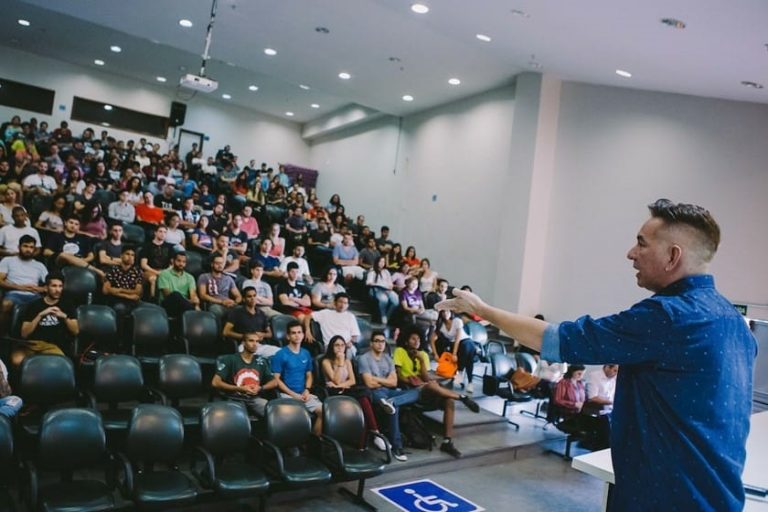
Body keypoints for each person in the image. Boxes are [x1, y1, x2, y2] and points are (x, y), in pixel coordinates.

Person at [436, 199, 756, 510]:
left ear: (673, 256)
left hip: (664, 497)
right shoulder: (736, 323)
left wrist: (482, 310)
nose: (631, 253)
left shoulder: (667, 316)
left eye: (641, 244)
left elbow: (559, 340)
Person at [393, 328, 480, 458]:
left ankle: (447, 442)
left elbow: (426, 378)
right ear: (406, 341)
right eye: (413, 339)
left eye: (418, 339)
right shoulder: (399, 351)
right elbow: (399, 376)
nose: (416, 341)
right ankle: (462, 397)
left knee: (448, 400)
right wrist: (412, 381)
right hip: (409, 390)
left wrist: (421, 361)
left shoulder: (423, 355)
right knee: (431, 385)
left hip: (426, 389)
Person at [358, 331, 418, 461]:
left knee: (416, 392)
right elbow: (369, 383)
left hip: (390, 393)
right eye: (377, 341)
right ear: (371, 343)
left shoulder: (388, 359)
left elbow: (394, 382)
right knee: (393, 409)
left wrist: (376, 378)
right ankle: (397, 447)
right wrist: (385, 381)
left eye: (383, 341)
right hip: (375, 392)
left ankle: (393, 402)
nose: (380, 344)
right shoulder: (364, 358)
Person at [321, 335, 387, 451]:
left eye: (342, 345)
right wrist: (340, 363)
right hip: (333, 394)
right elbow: (336, 379)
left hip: (345, 390)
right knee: (363, 396)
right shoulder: (326, 361)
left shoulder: (347, 361)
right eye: (337, 345)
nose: (340, 348)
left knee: (363, 399)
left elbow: (352, 381)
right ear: (331, 347)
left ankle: (368, 439)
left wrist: (339, 385)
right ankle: (373, 435)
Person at [13, 274, 78, 366]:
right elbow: (24, 334)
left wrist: (64, 317)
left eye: (60, 286)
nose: (58, 290)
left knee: (58, 363)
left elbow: (75, 331)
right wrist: (40, 315)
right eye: (54, 286)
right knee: (17, 360)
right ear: (46, 288)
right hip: (32, 344)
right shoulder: (34, 305)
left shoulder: (67, 305)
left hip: (53, 345)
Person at [270, 321, 323, 434]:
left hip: (304, 394)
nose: (297, 335)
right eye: (293, 333)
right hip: (286, 395)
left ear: (303, 335)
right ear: (288, 336)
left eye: (299, 332)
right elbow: (276, 379)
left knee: (324, 412)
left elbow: (309, 375)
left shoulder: (306, 353)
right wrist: (293, 395)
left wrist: (307, 390)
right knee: (298, 417)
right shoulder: (280, 354)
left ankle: (314, 440)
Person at [212, 332, 278, 418]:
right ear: (243, 343)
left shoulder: (261, 361)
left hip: (254, 399)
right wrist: (239, 388)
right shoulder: (230, 359)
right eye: (251, 341)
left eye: (257, 341)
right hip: (233, 398)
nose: (255, 344)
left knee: (274, 414)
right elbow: (215, 382)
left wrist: (260, 388)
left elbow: (274, 382)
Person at [0, 235, 47, 333]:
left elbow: (50, 285)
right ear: (19, 247)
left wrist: (38, 289)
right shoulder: (8, 260)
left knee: (46, 306)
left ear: (34, 250)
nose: (28, 250)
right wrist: (20, 287)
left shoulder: (39, 265)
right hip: (14, 294)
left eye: (31, 247)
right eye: (25, 246)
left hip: (34, 296)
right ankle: (3, 336)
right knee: (6, 304)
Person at [429, 309, 477, 393]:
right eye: (443, 312)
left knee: (467, 349)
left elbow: (458, 339)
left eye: (447, 311)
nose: (445, 313)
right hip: (453, 344)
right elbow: (432, 340)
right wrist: (435, 354)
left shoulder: (457, 321)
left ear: (451, 312)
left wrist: (454, 354)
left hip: (465, 342)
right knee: (442, 343)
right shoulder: (440, 325)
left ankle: (466, 379)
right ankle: (458, 374)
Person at [222, 286, 277, 357]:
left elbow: (270, 334)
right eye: (249, 296)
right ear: (244, 299)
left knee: (280, 353)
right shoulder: (236, 312)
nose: (252, 298)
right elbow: (226, 332)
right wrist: (244, 336)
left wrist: (262, 335)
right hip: (244, 345)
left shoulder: (261, 313)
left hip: (260, 346)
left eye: (254, 296)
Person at [304, 292, 360, 357]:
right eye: (340, 302)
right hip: (330, 346)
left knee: (349, 352)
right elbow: (308, 317)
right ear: (335, 302)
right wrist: (307, 331)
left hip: (345, 346)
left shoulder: (350, 316)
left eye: (345, 303)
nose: (342, 305)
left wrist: (350, 342)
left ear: (348, 305)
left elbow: (355, 335)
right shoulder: (325, 313)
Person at [102, 245, 144, 321]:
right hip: (116, 300)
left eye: (132, 255)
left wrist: (120, 290)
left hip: (132, 302)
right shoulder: (113, 270)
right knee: (120, 308)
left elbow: (138, 291)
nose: (130, 257)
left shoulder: (137, 271)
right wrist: (127, 296)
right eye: (127, 254)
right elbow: (105, 290)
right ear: (121, 256)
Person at [197, 254, 241, 320]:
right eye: (217, 263)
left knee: (242, 310)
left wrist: (234, 303)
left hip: (229, 304)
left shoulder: (228, 278)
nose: (220, 265)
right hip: (214, 304)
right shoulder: (204, 277)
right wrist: (221, 302)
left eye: (222, 263)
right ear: (212, 264)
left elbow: (238, 296)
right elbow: (202, 295)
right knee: (216, 310)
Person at [157, 252, 200, 316]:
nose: (181, 264)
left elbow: (193, 295)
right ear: (173, 261)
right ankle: (192, 312)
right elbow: (167, 294)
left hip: (184, 306)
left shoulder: (190, 277)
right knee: (176, 295)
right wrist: (189, 302)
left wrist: (195, 302)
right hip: (168, 304)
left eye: (184, 262)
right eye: (179, 261)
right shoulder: (164, 274)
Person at [139, 225, 173, 298]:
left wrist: (164, 272)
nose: (163, 234)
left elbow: (172, 265)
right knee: (153, 278)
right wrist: (157, 272)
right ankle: (152, 299)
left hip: (165, 271)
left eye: (165, 232)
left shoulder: (169, 247)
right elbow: (143, 265)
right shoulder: (147, 246)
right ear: (155, 233)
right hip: (150, 270)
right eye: (160, 231)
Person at [366, 256, 399, 325]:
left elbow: (390, 282)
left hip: (387, 289)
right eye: (380, 261)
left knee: (396, 301)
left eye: (383, 262)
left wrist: (390, 286)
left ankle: (387, 316)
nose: (382, 263)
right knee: (384, 300)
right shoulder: (372, 271)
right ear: (377, 262)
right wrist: (378, 284)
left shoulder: (386, 271)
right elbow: (368, 282)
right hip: (377, 289)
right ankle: (383, 315)